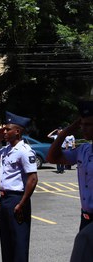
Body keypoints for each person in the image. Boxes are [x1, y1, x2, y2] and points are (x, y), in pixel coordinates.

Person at [0, 111, 38, 262]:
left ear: (18, 131)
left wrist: (22, 203)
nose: (4, 132)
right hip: (5, 199)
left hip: (18, 199)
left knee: (19, 242)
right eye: (4, 129)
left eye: (8, 129)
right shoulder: (6, 150)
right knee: (6, 241)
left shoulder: (24, 151)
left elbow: (33, 179)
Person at [46, 101, 93, 261]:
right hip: (86, 218)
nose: (83, 128)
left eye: (88, 124)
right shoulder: (83, 150)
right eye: (82, 124)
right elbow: (52, 158)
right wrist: (65, 132)